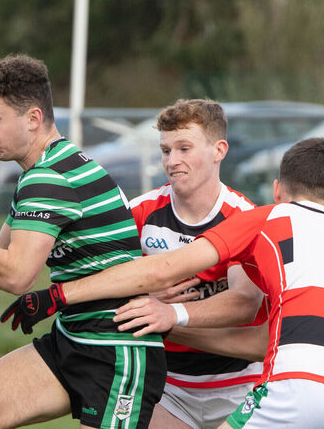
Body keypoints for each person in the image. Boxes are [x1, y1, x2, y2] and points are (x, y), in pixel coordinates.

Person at [6, 137, 324, 428]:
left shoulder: (266, 217)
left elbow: (161, 269)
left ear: (278, 190)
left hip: (296, 382)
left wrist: (59, 294)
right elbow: (277, 338)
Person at [0, 54, 166, 428]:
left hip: (117, 351)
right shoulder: (42, 172)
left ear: (33, 118)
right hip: (72, 340)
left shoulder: (49, 178)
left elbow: (16, 275)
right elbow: (2, 264)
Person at [112, 98, 267, 428]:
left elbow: (245, 302)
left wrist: (171, 315)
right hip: (166, 385)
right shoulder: (140, 213)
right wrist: (141, 298)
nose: (172, 161)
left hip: (240, 384)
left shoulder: (243, 216)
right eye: (166, 150)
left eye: (184, 148)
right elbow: (105, 286)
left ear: (219, 150)